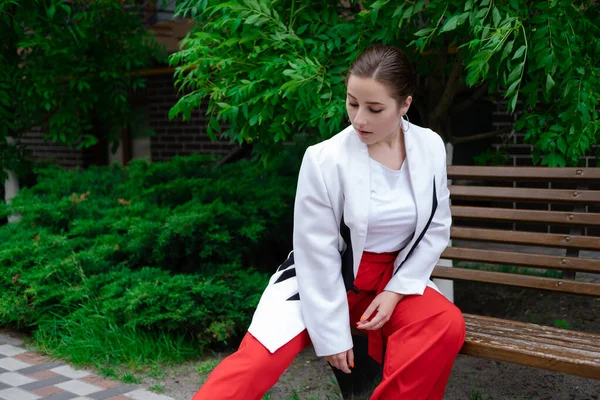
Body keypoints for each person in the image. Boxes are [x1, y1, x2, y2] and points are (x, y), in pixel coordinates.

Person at [192, 45, 466, 400]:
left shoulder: (429, 147)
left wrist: (396, 291)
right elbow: (315, 251)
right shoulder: (324, 159)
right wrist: (333, 335)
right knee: (256, 363)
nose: (359, 119)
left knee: (444, 323)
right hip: (323, 277)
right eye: (352, 103)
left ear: (405, 105)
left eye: (374, 108)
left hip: (394, 277)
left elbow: (436, 226)